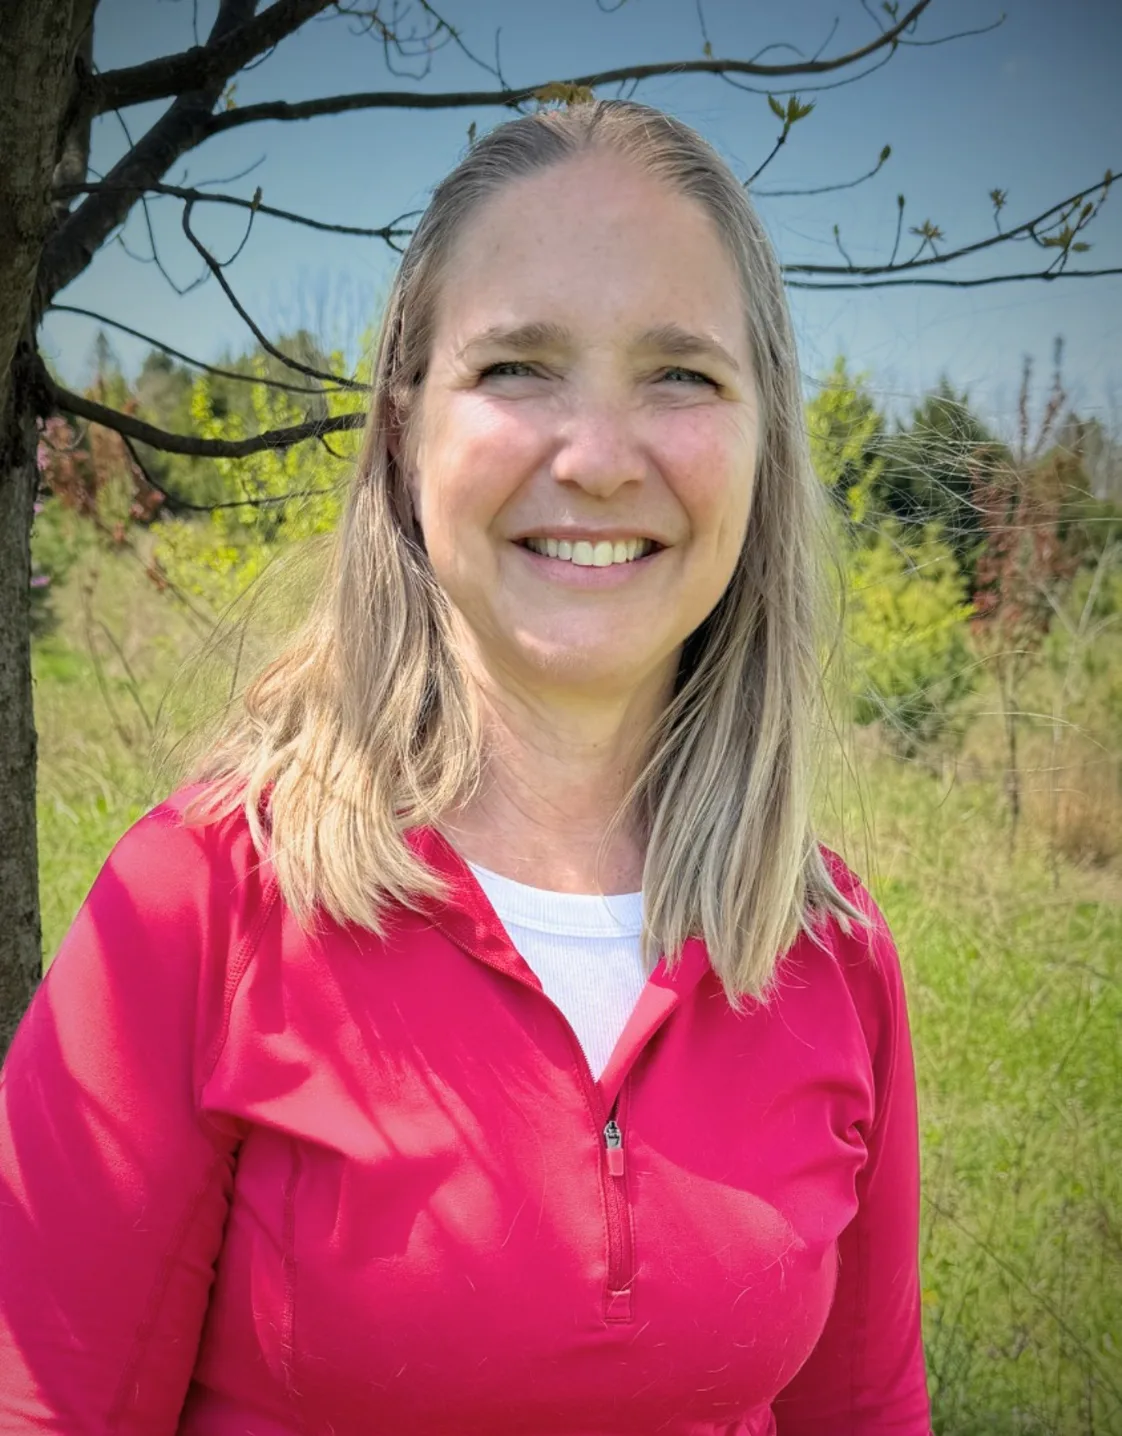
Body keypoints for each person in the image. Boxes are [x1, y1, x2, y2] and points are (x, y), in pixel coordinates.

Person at [0, 100, 931, 1434]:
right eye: (516, 368)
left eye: (681, 375)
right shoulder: (198, 905)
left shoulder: (827, 953)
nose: (598, 458)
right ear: (401, 430)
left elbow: (867, 1415)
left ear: (762, 443)